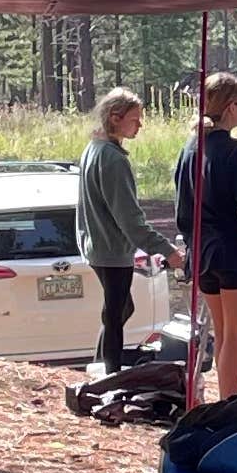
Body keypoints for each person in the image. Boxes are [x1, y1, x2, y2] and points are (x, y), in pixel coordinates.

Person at [178, 70, 237, 397]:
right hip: (234, 252)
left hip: (202, 252)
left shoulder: (191, 147)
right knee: (236, 337)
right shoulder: (236, 151)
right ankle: (230, 404)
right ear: (232, 106)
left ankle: (223, 400)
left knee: (222, 332)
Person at [74, 86, 165, 374]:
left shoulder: (95, 149)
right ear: (115, 118)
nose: (140, 125)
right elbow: (129, 218)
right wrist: (166, 249)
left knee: (122, 308)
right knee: (114, 313)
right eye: (135, 119)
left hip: (96, 245)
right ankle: (109, 378)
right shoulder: (111, 158)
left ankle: (99, 367)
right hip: (111, 248)